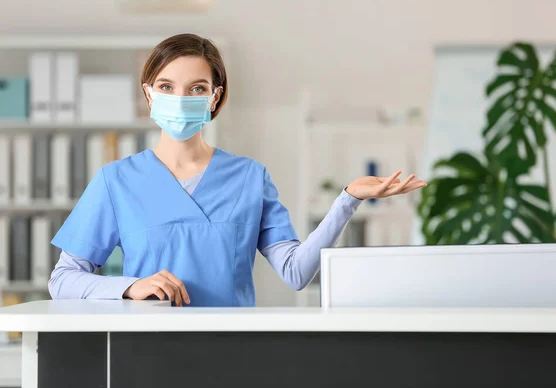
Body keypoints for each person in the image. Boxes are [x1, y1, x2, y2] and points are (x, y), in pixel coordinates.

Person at [48, 33, 427, 307]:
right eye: (167, 86)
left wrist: (348, 199)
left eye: (196, 89)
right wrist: (130, 287)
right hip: (147, 350)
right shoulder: (117, 181)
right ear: (149, 94)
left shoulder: (250, 178)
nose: (181, 100)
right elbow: (63, 279)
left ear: (214, 96)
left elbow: (296, 273)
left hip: (232, 351)